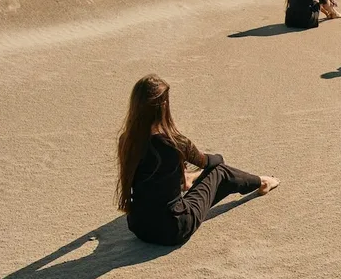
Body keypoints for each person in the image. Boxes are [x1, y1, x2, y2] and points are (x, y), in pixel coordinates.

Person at [116, 75, 279, 246]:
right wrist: (220, 158)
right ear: (163, 106)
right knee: (220, 171)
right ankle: (262, 182)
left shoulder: (126, 141)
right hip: (173, 230)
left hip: (138, 227)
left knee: (161, 171)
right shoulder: (175, 143)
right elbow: (208, 162)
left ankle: (185, 178)